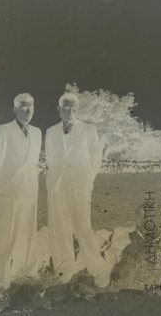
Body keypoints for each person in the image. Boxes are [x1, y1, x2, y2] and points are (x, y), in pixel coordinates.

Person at [45, 93, 110, 286]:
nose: (70, 111)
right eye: (66, 108)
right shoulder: (51, 131)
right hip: (57, 187)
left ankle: (99, 270)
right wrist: (54, 182)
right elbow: (51, 159)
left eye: (73, 108)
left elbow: (95, 159)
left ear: (78, 109)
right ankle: (65, 269)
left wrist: (88, 182)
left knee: (82, 227)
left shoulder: (89, 130)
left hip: (79, 186)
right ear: (59, 109)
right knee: (60, 229)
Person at [0, 93, 42, 287]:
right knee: (5, 237)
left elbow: (32, 162)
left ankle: (28, 273)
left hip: (30, 191)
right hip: (8, 192)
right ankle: (0, 279)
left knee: (29, 235)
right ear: (15, 109)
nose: (28, 110)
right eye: (23, 106)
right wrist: (2, 185)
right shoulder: (3, 130)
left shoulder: (37, 132)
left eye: (30, 106)